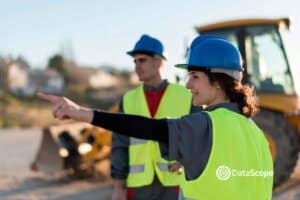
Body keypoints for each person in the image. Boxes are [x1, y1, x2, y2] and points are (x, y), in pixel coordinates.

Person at [37, 35, 273, 200]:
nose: (188, 84)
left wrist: (81, 113)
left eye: (195, 76)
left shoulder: (205, 124)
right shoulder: (256, 133)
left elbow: (146, 128)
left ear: (219, 80)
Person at [109, 34, 196, 200]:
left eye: (142, 60)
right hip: (139, 187)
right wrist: (118, 187)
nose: (136, 66)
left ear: (159, 62)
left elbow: (200, 137)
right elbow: (120, 144)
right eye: (135, 61)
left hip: (176, 183)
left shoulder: (186, 96)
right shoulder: (128, 100)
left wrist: (187, 159)